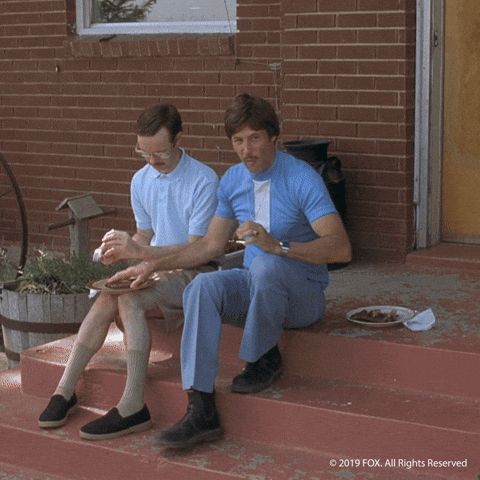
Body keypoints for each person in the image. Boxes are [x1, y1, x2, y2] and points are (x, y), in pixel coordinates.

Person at [107, 93, 352, 448]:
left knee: (266, 263)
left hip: (302, 297)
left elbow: (341, 247)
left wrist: (279, 246)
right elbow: (209, 246)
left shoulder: (302, 178)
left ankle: (263, 356)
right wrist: (153, 264)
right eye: (238, 140)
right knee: (202, 287)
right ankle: (201, 407)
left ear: (274, 136)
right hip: (256, 288)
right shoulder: (233, 180)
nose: (246, 150)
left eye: (254, 138)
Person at [38, 103, 219, 440]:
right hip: (154, 268)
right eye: (143, 152)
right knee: (109, 294)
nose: (151, 161)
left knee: (129, 299)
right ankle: (64, 389)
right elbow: (145, 235)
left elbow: (196, 251)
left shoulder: (203, 180)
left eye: (159, 153)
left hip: (193, 272)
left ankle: (133, 403)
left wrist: (141, 256)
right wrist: (120, 252)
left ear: (179, 139)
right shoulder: (141, 179)